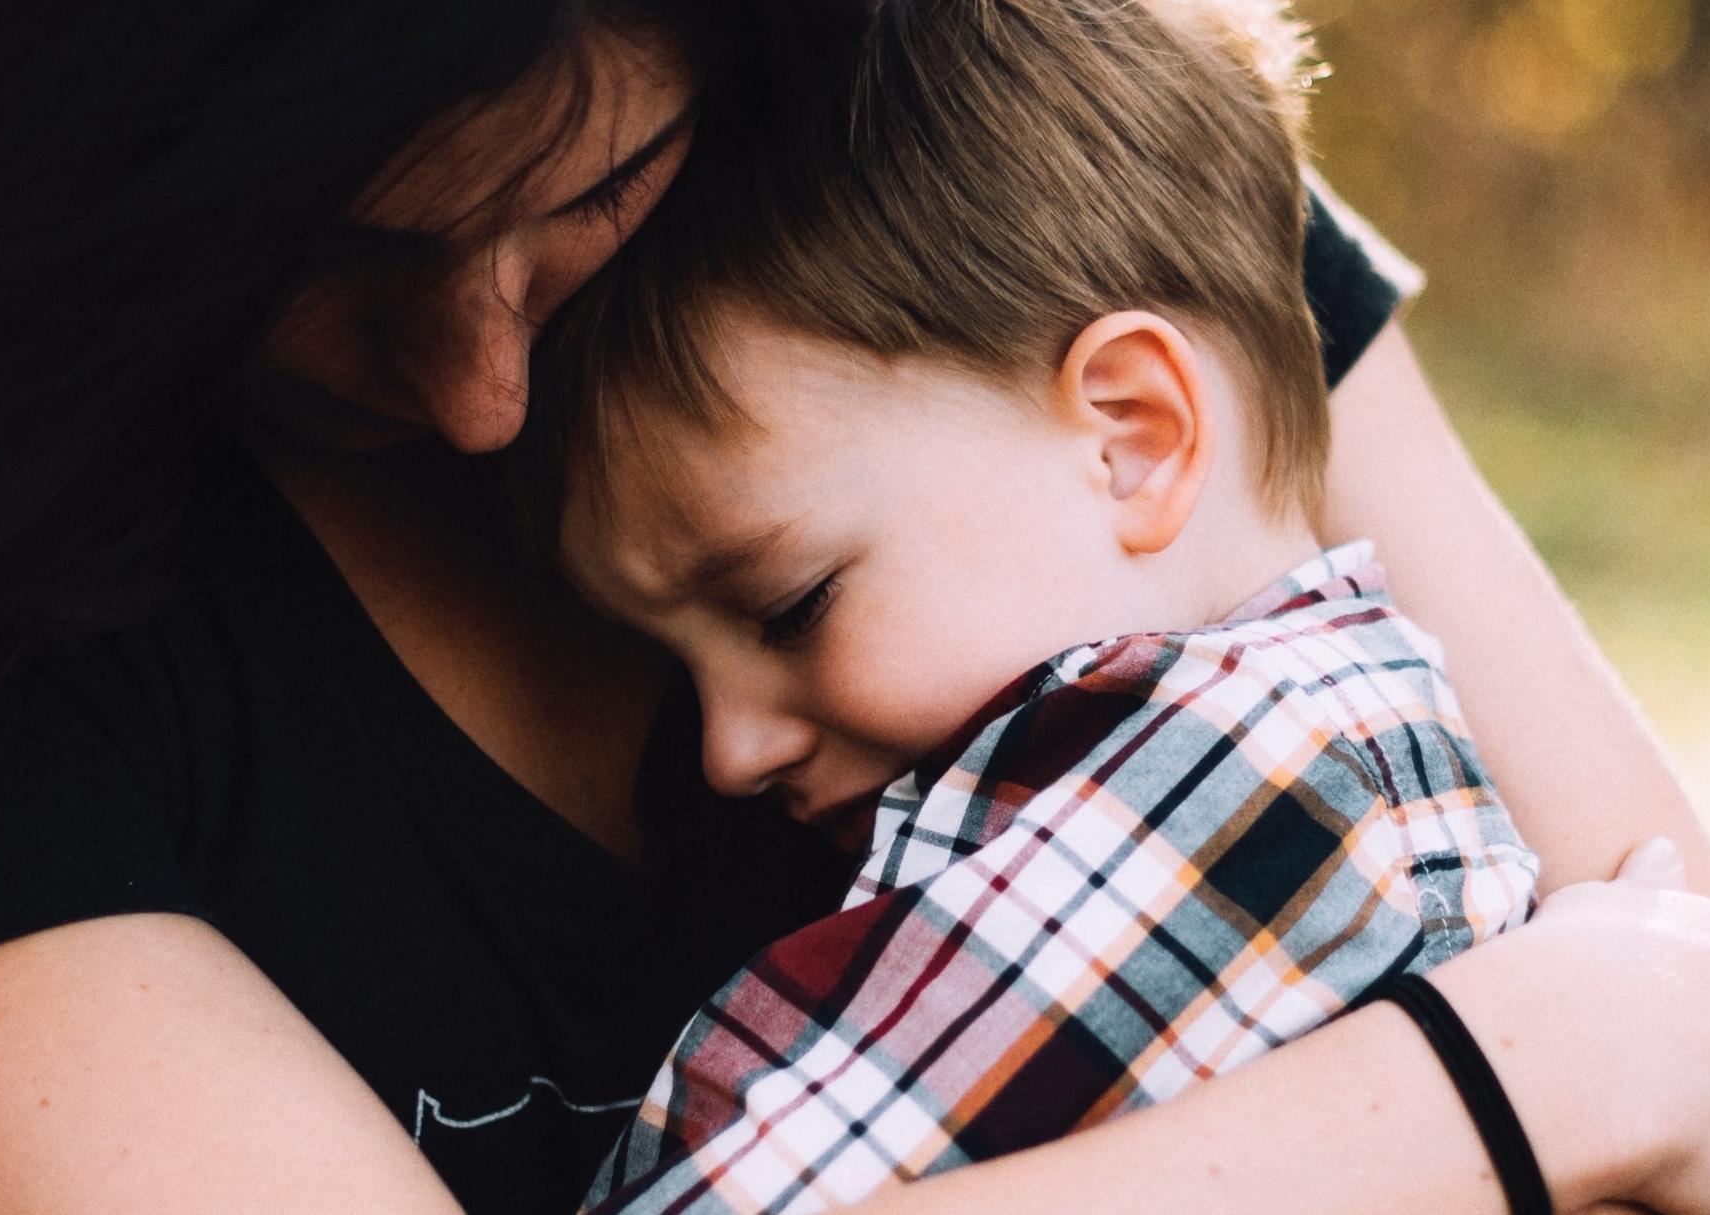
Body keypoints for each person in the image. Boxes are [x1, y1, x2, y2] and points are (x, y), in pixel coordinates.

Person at [0, 2, 1710, 1214]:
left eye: (583, 198)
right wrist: (1516, 1077)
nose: (480, 393)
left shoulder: (1033, 196)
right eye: (312, 263)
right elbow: (1663, 1029)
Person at [520, 1, 1543, 1207]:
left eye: (791, 607)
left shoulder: (1233, 783)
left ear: (1131, 440)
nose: (726, 751)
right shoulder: (1339, 728)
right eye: (672, 664)